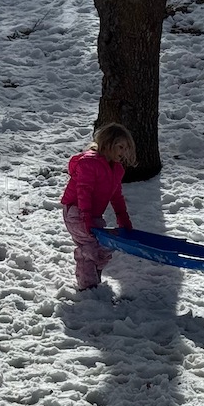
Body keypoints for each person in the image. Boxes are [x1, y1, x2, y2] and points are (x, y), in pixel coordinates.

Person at [60, 123, 136, 290]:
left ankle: (93, 277)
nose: (122, 152)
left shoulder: (117, 169)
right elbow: (84, 192)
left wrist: (123, 220)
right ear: (107, 144)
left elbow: (116, 196)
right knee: (91, 247)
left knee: (107, 244)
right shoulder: (89, 163)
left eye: (126, 148)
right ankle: (87, 286)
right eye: (120, 147)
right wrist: (85, 217)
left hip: (92, 215)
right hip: (76, 212)